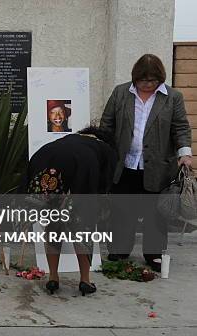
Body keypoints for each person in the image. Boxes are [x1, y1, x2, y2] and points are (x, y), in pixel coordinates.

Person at [100, 54, 192, 271]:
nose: (148, 85)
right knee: (122, 210)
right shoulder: (121, 93)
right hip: (125, 165)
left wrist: (185, 153)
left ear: (160, 79)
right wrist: (104, 151)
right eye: (143, 81)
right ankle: (119, 249)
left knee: (155, 213)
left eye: (152, 81)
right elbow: (107, 123)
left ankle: (153, 254)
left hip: (158, 167)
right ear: (135, 78)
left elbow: (181, 127)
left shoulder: (172, 97)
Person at [24, 126, 117, 296]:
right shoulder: (105, 148)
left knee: (53, 222)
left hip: (44, 157)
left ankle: (53, 277)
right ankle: (85, 280)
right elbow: (104, 185)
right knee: (83, 227)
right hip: (82, 168)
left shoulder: (69, 140)